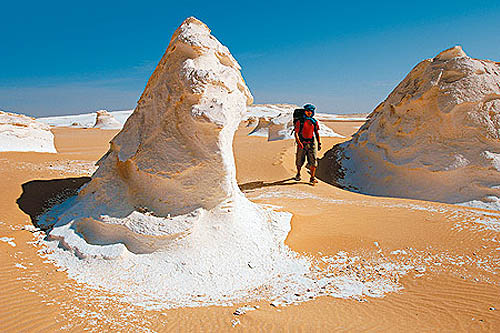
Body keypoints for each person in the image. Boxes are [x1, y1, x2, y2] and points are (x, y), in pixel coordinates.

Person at [294, 103, 321, 184]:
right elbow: (296, 133)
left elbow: (316, 133)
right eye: (307, 111)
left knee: (313, 161)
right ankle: (298, 174)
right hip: (302, 143)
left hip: (311, 143)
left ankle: (312, 178)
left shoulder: (314, 122)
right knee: (299, 160)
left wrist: (319, 143)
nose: (309, 112)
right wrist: (299, 142)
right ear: (304, 111)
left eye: (310, 111)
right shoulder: (300, 121)